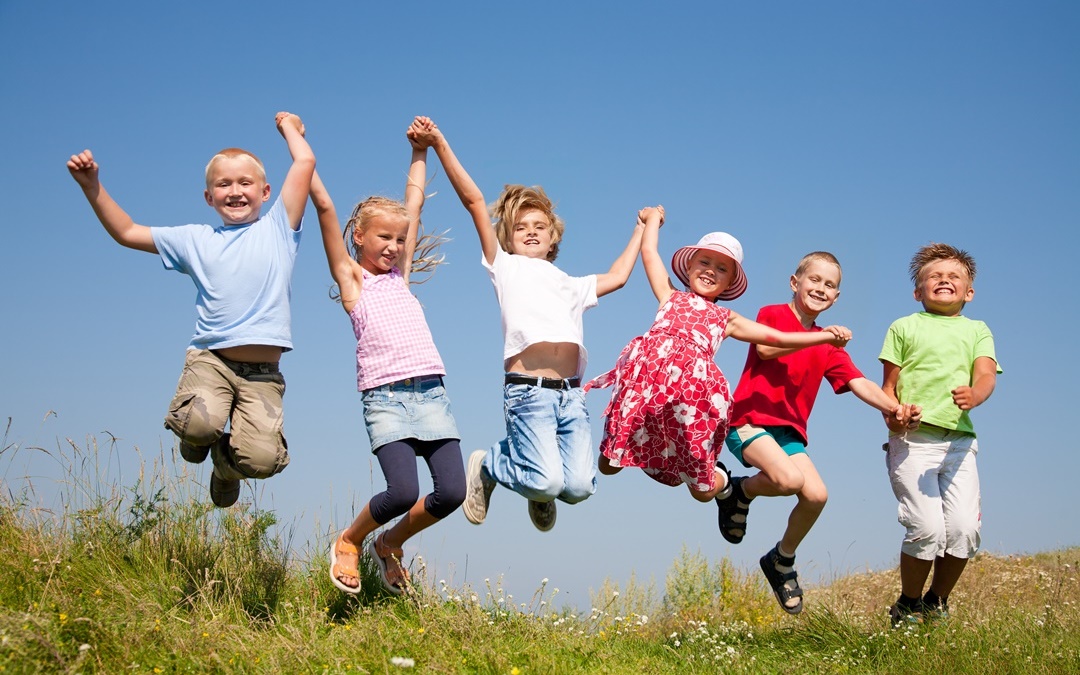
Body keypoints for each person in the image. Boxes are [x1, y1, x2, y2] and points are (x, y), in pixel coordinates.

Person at [66, 112, 316, 508]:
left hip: (262, 376)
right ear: (208, 197)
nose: (235, 191)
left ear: (266, 192)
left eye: (245, 183)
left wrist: (289, 127)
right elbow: (128, 232)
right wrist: (91, 186)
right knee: (197, 424)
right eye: (223, 184)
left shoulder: (279, 228)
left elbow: (304, 163)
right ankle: (198, 436)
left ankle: (224, 467)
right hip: (212, 360)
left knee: (264, 460)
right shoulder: (195, 240)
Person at [412, 118, 645, 532]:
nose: (531, 232)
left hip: (571, 398)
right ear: (508, 237)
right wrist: (439, 142)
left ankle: (540, 486)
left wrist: (642, 229)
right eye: (521, 228)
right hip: (528, 395)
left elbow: (620, 275)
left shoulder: (571, 284)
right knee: (547, 480)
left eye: (540, 227)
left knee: (578, 488)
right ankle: (492, 467)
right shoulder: (504, 267)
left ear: (554, 238)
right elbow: (473, 200)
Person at [586, 220, 854, 561]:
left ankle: (725, 484)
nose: (711, 270)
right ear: (689, 266)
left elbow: (780, 339)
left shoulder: (726, 318)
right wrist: (649, 222)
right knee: (608, 463)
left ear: (729, 282)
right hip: (647, 394)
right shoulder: (669, 296)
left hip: (690, 406)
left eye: (722, 268)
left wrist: (825, 335)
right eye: (705, 262)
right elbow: (650, 253)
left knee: (702, 492)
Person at [719, 251, 921, 615]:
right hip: (749, 421)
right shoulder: (774, 314)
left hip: (789, 434)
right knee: (788, 480)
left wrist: (895, 408)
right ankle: (739, 490)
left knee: (816, 495)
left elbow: (858, 382)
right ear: (795, 283)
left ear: (836, 297)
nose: (820, 288)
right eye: (814, 280)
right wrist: (824, 338)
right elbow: (766, 346)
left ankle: (781, 559)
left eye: (830, 285)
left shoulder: (828, 343)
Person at [321, 117, 466, 595]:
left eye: (400, 239)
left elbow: (414, 203)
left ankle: (389, 544)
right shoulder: (353, 284)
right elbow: (324, 208)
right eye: (383, 237)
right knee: (401, 491)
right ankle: (349, 541)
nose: (394, 246)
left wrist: (420, 151)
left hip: (431, 393)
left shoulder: (399, 277)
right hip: (385, 397)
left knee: (453, 493)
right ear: (358, 236)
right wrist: (302, 153)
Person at [880, 243, 999, 626]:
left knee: (964, 530)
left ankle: (937, 601)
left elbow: (984, 374)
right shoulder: (904, 326)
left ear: (969, 292)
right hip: (913, 442)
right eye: (934, 276)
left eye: (954, 276)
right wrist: (896, 418)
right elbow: (888, 389)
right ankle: (908, 604)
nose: (944, 280)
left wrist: (975, 394)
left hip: (961, 443)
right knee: (926, 528)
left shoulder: (978, 330)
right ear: (918, 291)